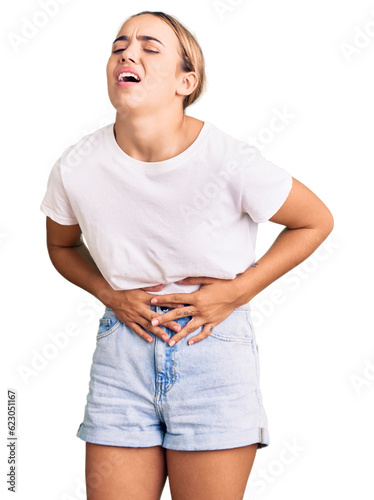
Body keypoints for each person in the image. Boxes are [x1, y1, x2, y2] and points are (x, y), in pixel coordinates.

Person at [40, 10, 334, 500]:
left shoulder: (227, 159)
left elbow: (315, 220)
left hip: (212, 350)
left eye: (150, 48)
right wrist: (108, 292)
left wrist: (238, 291)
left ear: (185, 81)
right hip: (122, 357)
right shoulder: (76, 166)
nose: (127, 53)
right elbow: (60, 245)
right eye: (119, 46)